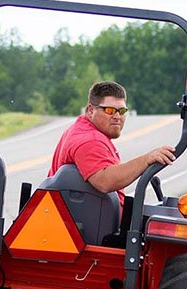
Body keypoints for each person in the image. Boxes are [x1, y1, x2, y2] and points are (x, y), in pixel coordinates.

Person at [48, 81, 176, 210]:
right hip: (84, 226)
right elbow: (104, 181)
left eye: (121, 111)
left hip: (82, 219)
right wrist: (147, 159)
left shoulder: (82, 128)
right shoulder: (90, 140)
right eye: (109, 110)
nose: (117, 116)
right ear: (91, 110)